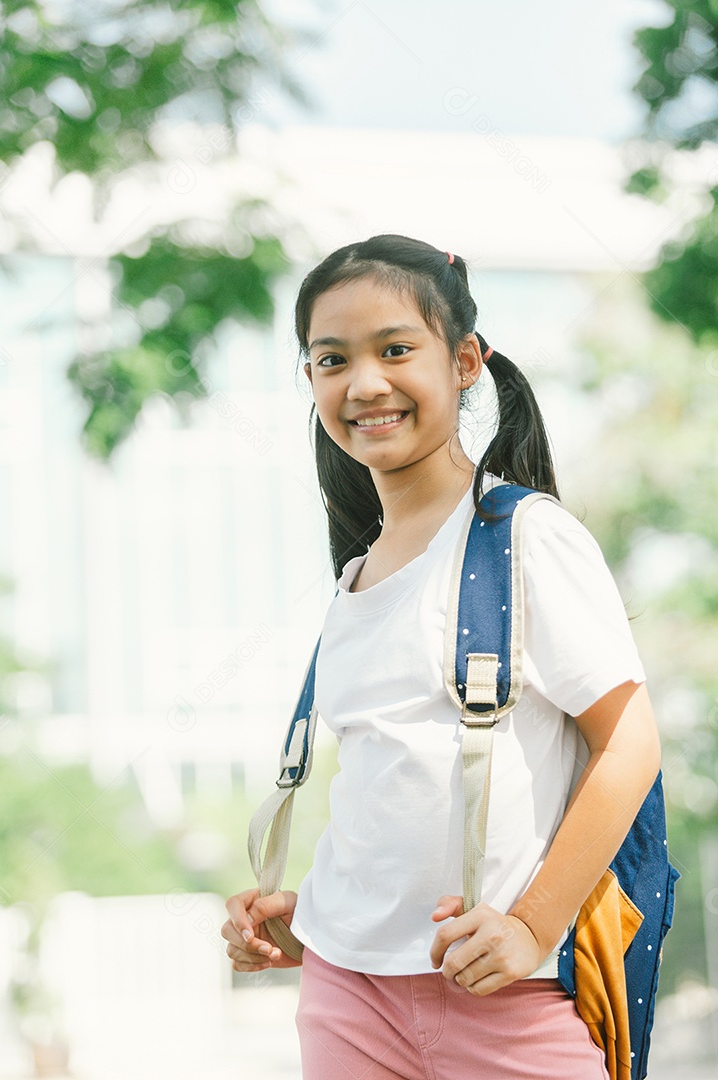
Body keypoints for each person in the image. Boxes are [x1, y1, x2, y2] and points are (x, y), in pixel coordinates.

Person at [221, 234, 662, 1080]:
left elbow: (630, 741)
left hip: (511, 993)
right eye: (331, 360)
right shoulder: (355, 575)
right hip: (348, 996)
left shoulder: (526, 537)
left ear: (464, 362)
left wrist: (532, 925)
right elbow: (389, 784)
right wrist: (315, 913)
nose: (365, 383)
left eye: (395, 349)